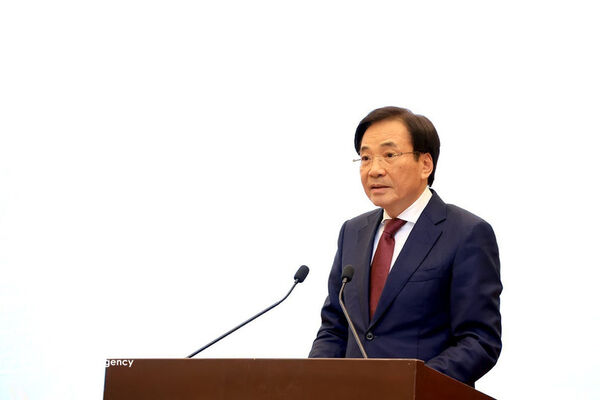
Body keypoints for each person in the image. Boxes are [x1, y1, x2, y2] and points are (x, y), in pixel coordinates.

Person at [309, 106, 502, 387]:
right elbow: (335, 327)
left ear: (425, 164)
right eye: (365, 158)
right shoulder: (352, 232)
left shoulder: (466, 233)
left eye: (389, 155)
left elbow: (479, 340)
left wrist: (410, 385)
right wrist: (315, 381)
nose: (374, 170)